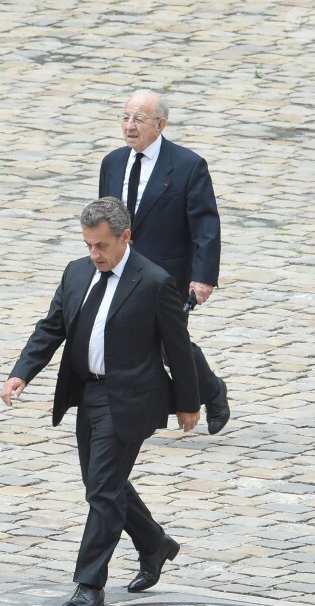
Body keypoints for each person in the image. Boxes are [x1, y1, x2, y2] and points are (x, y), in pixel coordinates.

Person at [1, 198, 200, 606]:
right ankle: (155, 544)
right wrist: (22, 372)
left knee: (103, 491)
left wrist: (187, 402)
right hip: (87, 393)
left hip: (130, 399)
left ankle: (89, 583)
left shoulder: (154, 282)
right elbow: (52, 327)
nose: (94, 254)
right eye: (89, 244)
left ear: (125, 238)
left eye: (102, 245)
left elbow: (178, 348)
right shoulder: (77, 272)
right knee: (103, 483)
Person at [99, 90, 230, 435]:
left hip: (168, 274)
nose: (129, 126)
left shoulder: (188, 166)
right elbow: (105, 218)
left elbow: (205, 226)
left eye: (138, 120)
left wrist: (202, 278)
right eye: (125, 117)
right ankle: (138, 410)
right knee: (129, 340)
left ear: (160, 124)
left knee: (168, 342)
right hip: (122, 270)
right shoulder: (112, 163)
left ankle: (212, 391)